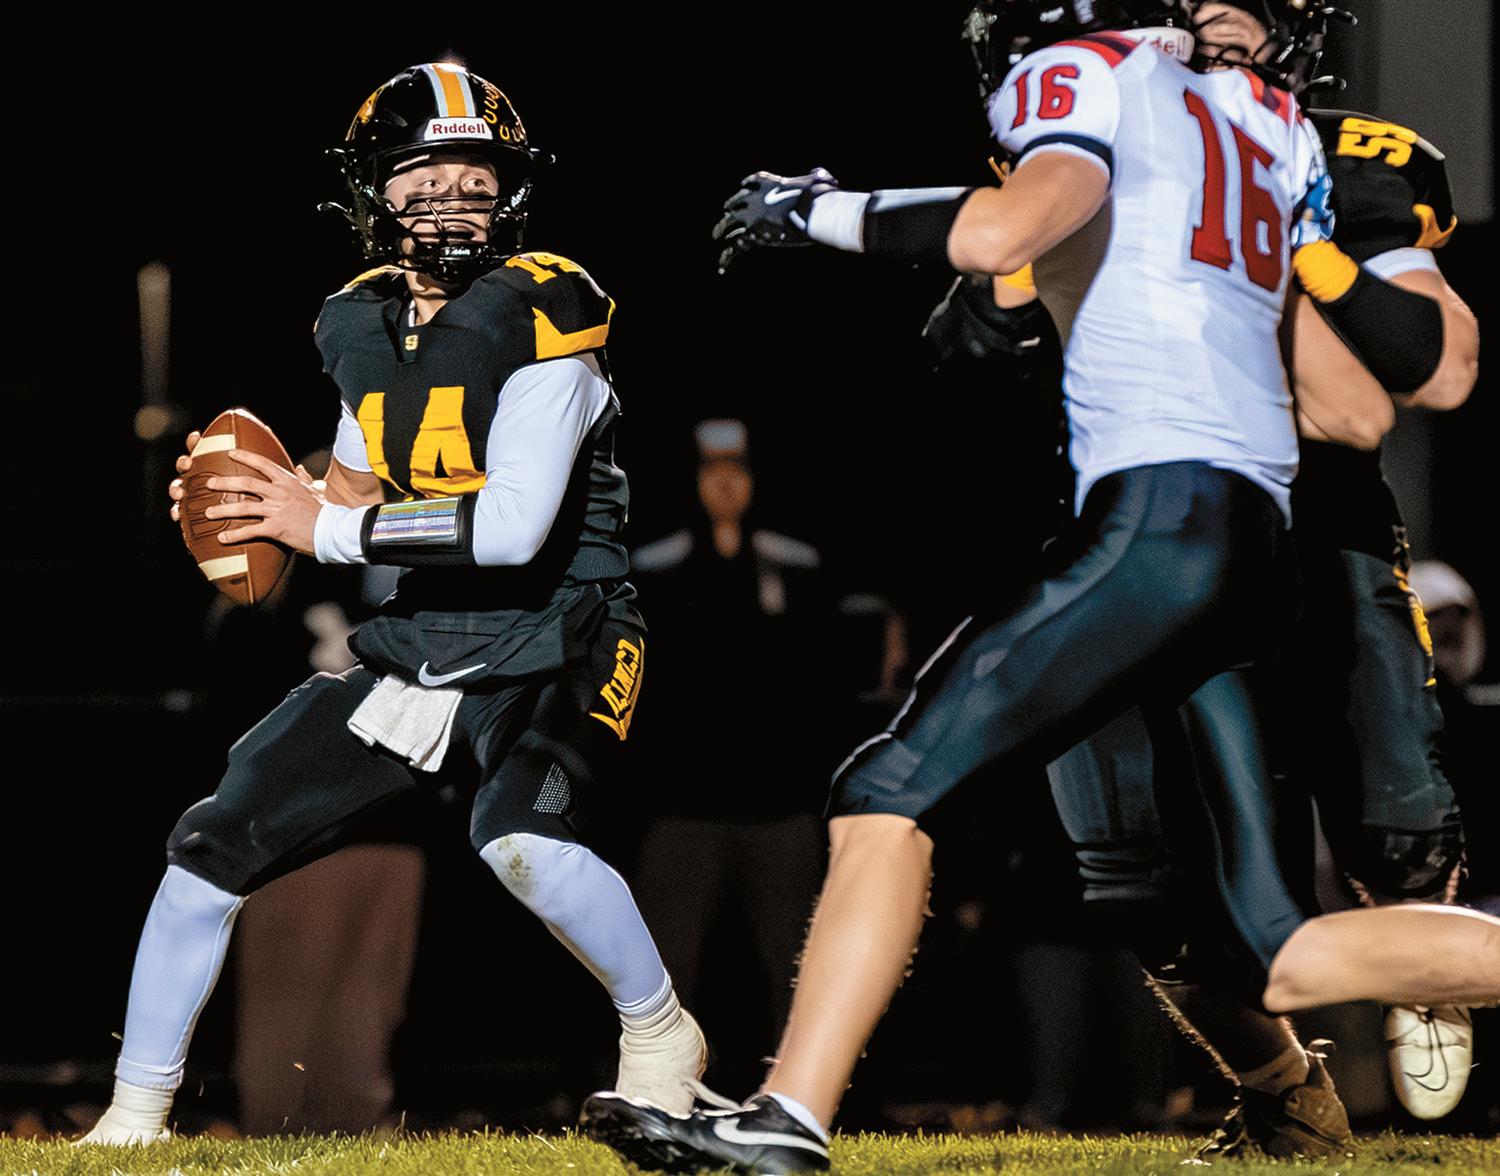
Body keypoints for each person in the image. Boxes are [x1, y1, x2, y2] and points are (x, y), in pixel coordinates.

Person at [579, 3, 1500, 1171]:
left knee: (890, 785)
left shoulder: (1116, 91)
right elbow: (994, 322)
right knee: (1251, 940)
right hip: (1228, 544)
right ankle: (1282, 1089)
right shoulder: (1254, 142)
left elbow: (1007, 228)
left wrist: (816, 209)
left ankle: (788, 1118)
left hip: (1179, 532)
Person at [78, 62, 707, 1146]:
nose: (453, 199)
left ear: (512, 195)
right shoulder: (359, 321)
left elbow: (511, 528)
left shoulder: (547, 307)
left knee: (520, 843)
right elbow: (357, 494)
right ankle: (134, 1117)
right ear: (375, 193)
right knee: (208, 847)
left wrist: (312, 524)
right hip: (430, 632)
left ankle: (660, 1034)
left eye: (477, 180)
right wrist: (258, 504)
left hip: (568, 627)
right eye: (426, 178)